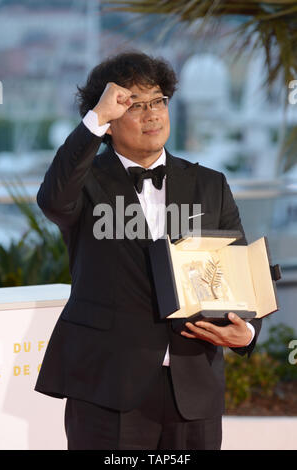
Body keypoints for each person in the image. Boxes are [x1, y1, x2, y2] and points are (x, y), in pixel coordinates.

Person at [35, 51, 261, 450]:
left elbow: (239, 273)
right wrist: (94, 119)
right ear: (107, 120)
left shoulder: (210, 184)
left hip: (194, 388)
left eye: (158, 101)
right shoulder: (83, 183)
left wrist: (247, 331)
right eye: (133, 106)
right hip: (108, 388)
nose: (152, 115)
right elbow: (52, 200)